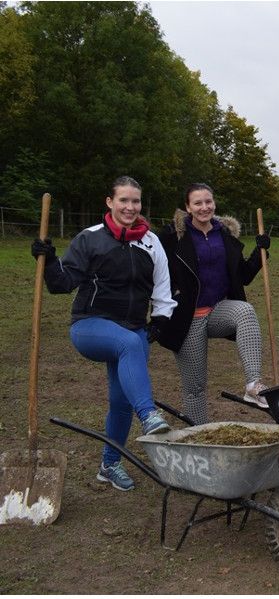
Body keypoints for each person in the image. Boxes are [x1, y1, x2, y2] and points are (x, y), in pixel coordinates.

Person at [31, 176, 176, 492]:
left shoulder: (151, 242)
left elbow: (163, 289)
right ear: (110, 202)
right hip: (90, 326)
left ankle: (110, 465)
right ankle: (150, 415)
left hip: (135, 332)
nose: (130, 207)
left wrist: (161, 320)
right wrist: (49, 257)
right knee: (127, 343)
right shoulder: (90, 238)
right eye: (123, 200)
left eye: (135, 201)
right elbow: (61, 283)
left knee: (121, 402)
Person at [156, 183, 271, 425]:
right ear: (188, 207)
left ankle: (253, 384)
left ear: (214, 203)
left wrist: (259, 253)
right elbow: (153, 271)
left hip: (218, 311)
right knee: (195, 387)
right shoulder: (171, 237)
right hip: (187, 319)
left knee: (245, 311)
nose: (204, 207)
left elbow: (243, 276)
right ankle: (199, 436)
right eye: (197, 203)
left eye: (208, 202)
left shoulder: (225, 235)